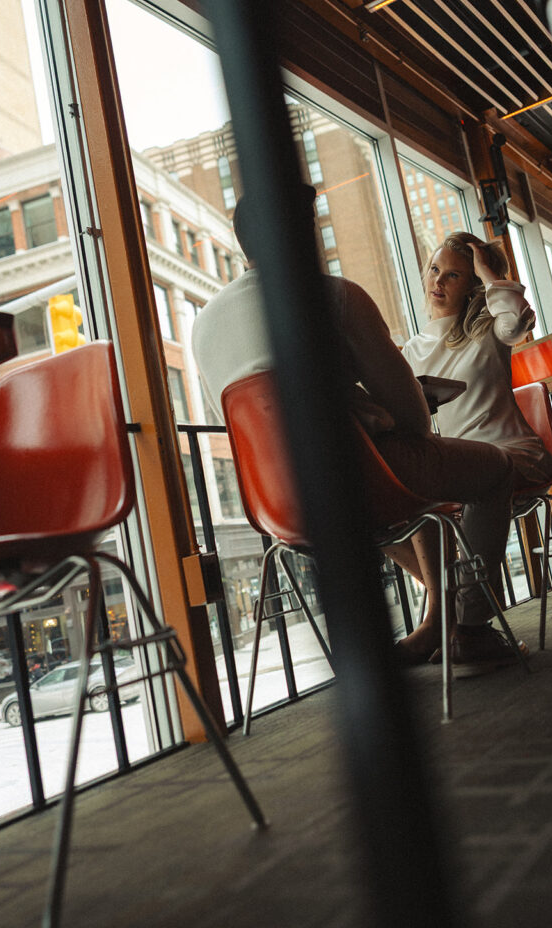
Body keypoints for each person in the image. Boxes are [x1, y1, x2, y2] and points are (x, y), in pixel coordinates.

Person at [192, 189, 524, 676]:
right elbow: (413, 418)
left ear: (241, 242)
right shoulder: (335, 295)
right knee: (496, 468)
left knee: (390, 501)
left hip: (277, 506)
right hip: (357, 481)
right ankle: (471, 629)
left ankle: (438, 618)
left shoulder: (203, 325)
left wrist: (346, 405)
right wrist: (373, 409)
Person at [396, 232, 552, 663]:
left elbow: (517, 321)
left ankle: (469, 627)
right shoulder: (413, 349)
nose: (438, 281)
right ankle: (457, 606)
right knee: (383, 494)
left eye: (453, 274)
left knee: (485, 474)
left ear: (472, 286)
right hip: (455, 464)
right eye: (434, 270)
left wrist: (489, 273)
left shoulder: (489, 329)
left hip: (510, 452)